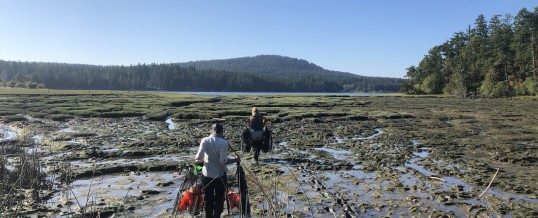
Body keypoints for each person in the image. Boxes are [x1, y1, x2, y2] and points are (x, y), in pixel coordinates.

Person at [195, 123, 240, 218]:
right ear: (221, 132)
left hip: (207, 175)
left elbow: (198, 158)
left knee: (208, 200)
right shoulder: (224, 143)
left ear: (211, 131)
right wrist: (235, 160)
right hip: (219, 176)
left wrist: (203, 162)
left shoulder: (205, 140)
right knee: (219, 199)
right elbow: (222, 162)